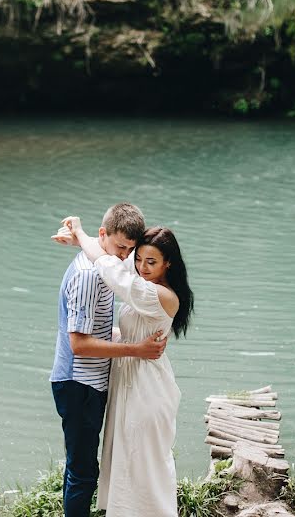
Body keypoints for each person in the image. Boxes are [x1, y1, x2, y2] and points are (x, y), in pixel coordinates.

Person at [55, 216, 194, 517]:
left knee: (145, 465)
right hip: (129, 381)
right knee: (127, 464)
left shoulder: (161, 295)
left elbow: (109, 267)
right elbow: (113, 262)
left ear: (168, 264)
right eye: (139, 259)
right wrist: (81, 242)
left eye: (151, 262)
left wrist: (79, 232)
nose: (142, 267)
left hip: (147, 388)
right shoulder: (145, 284)